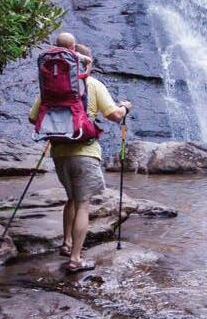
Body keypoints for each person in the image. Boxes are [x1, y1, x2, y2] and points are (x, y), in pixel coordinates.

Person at [29, 39, 132, 272]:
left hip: (59, 153)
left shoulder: (50, 88)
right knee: (83, 205)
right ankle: (76, 259)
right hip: (85, 152)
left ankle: (66, 244)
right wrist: (125, 107)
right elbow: (115, 116)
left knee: (71, 199)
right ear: (86, 63)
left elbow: (33, 118)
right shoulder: (92, 84)